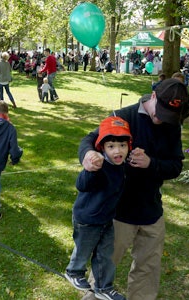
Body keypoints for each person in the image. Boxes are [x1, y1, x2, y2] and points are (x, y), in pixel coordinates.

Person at [80, 78, 189, 300]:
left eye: (169, 116)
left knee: (147, 271)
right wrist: (88, 156)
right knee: (104, 269)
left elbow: (175, 166)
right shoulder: (123, 117)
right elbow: (90, 140)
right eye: (160, 112)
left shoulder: (171, 124)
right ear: (152, 97)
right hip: (118, 212)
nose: (162, 119)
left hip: (151, 211)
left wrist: (151, 163)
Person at [65, 116, 131, 300]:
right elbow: (82, 185)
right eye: (111, 146)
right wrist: (90, 169)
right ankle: (74, 272)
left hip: (107, 218)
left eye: (122, 145)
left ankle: (103, 287)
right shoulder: (98, 165)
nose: (118, 150)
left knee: (106, 254)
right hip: (87, 219)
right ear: (101, 147)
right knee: (84, 248)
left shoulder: (121, 165)